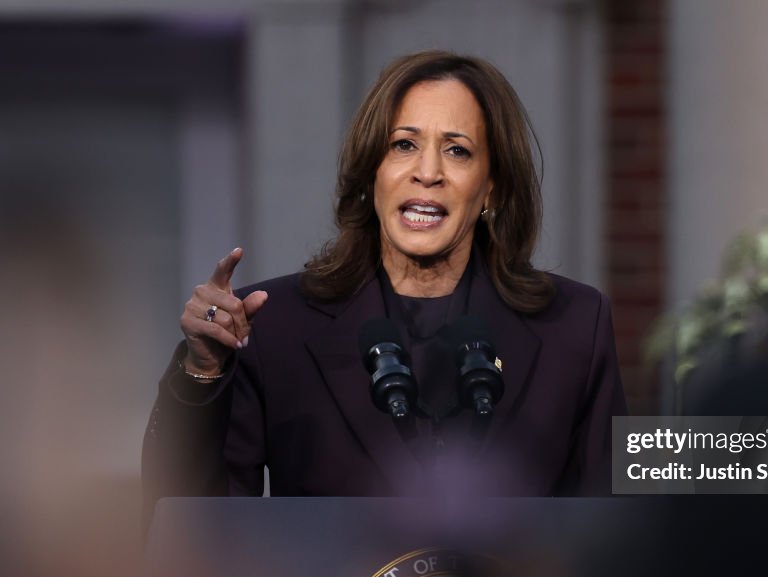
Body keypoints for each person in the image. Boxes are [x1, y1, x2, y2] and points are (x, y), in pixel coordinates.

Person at [142, 51, 626, 518]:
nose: (427, 173)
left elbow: (616, 532)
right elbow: (192, 530)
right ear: (372, 171)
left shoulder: (574, 328)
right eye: (404, 145)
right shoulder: (275, 325)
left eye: (458, 151)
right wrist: (201, 372)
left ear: (492, 185)